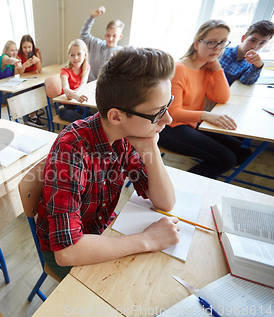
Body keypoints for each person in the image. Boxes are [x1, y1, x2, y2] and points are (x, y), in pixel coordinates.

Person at [37, 47, 180, 279]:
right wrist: (147, 239)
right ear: (116, 116)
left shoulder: (124, 137)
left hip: (101, 231)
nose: (168, 119)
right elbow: (66, 252)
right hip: (68, 249)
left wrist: (150, 146)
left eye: (168, 105)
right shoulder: (72, 150)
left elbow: (165, 201)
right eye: (158, 112)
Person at [159, 20, 251, 179]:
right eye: (211, 43)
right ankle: (182, 190)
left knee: (243, 152)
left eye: (222, 43)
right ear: (196, 44)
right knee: (227, 160)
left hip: (191, 123)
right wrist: (205, 115)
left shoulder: (206, 67)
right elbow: (172, 112)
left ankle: (195, 182)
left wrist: (216, 67)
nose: (217, 48)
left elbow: (222, 97)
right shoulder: (179, 68)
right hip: (169, 127)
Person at [0, 40, 46, 128]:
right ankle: (29, 119)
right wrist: (15, 61)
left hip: (6, 89)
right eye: (12, 50)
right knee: (22, 93)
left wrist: (19, 64)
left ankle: (31, 118)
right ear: (6, 51)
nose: (15, 52)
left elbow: (16, 76)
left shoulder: (13, 64)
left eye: (16, 50)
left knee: (28, 89)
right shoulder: (3, 58)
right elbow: (9, 59)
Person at [219, 20, 274, 86]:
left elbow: (246, 81)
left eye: (262, 43)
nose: (255, 46)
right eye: (253, 40)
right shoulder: (221, 52)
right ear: (243, 38)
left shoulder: (251, 64)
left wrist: (258, 66)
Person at [80, 6, 124, 82]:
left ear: (120, 37)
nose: (110, 39)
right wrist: (91, 17)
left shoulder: (120, 52)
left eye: (114, 36)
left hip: (106, 87)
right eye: (108, 35)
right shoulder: (96, 44)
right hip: (89, 83)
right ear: (105, 35)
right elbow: (84, 35)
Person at [58, 39, 94, 122]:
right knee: (84, 122)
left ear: (85, 55)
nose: (76, 58)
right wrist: (76, 96)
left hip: (76, 104)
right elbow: (66, 89)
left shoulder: (86, 67)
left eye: (79, 54)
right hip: (64, 107)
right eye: (72, 55)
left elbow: (83, 84)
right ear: (69, 56)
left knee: (93, 118)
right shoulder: (65, 71)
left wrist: (76, 95)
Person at [16, 35, 46, 128]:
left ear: (32, 46)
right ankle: (30, 118)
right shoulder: (18, 56)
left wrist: (38, 61)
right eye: (24, 47)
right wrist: (24, 65)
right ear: (21, 47)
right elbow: (19, 73)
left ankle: (33, 116)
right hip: (23, 81)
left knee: (41, 88)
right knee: (27, 92)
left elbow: (40, 70)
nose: (27, 50)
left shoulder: (37, 52)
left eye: (29, 47)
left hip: (33, 79)